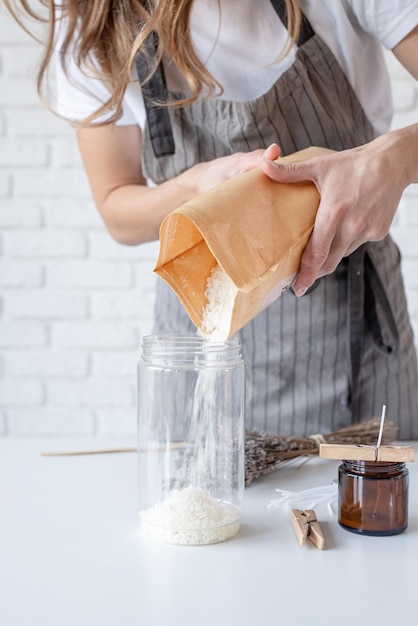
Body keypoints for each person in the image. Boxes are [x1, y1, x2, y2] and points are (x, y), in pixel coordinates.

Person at [6, 0, 418, 438]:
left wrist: (397, 159)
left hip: (356, 337)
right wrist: (197, 185)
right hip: (202, 348)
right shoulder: (96, 22)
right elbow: (116, 209)